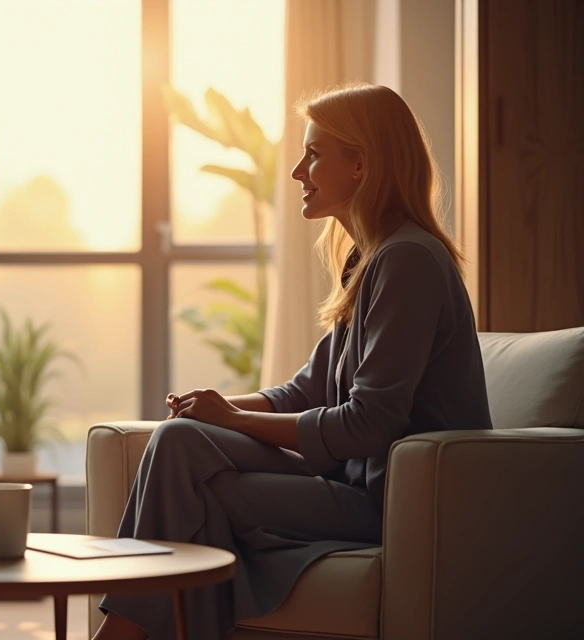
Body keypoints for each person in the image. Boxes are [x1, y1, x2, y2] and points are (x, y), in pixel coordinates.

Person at [93, 83, 492, 639]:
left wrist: (230, 420)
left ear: (360, 164)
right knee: (179, 440)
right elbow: (305, 393)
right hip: (348, 483)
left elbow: (369, 423)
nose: (298, 172)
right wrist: (213, 407)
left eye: (314, 154)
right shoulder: (371, 258)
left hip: (390, 504)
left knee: (189, 491)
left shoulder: (408, 262)